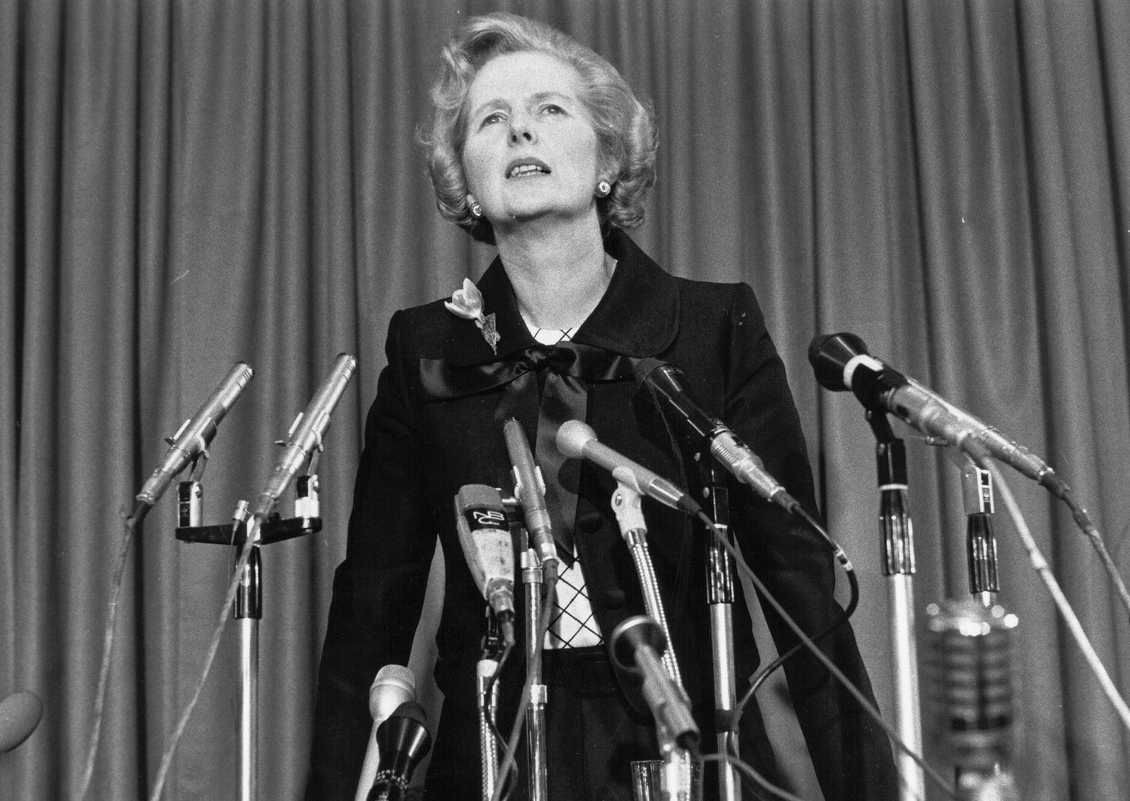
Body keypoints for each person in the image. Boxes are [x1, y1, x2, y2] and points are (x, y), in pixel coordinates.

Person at [306, 12, 897, 801]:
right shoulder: (426, 349)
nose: (521, 130)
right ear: (465, 182)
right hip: (489, 762)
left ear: (608, 160)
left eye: (550, 109)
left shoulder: (713, 328)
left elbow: (802, 594)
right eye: (492, 119)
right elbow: (372, 604)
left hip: (691, 759)